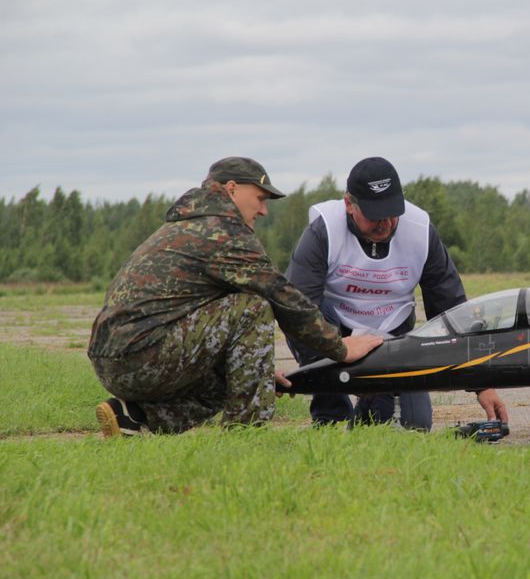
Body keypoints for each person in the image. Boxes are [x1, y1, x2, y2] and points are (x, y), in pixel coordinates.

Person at [88, 156, 382, 437]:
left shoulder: (188, 225)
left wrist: (256, 371)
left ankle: (132, 415)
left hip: (116, 359)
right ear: (232, 189)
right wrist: (339, 347)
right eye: (260, 198)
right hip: (141, 358)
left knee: (241, 364)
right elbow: (282, 296)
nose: (264, 210)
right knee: (253, 307)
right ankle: (247, 430)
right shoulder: (223, 233)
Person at [286, 156, 508, 429]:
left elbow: (451, 309)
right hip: (334, 332)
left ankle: (369, 406)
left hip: (392, 334)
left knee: (415, 426)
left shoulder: (420, 230)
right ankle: (331, 414)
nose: (385, 223)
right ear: (349, 204)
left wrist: (482, 383)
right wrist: (338, 353)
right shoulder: (324, 231)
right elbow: (295, 308)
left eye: (392, 213)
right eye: (374, 215)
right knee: (308, 319)